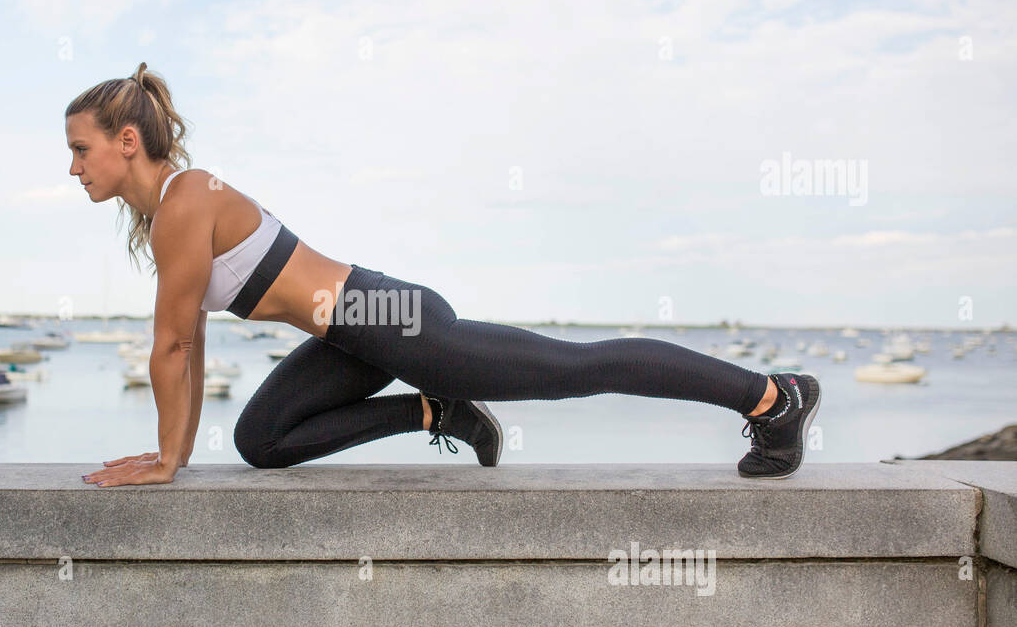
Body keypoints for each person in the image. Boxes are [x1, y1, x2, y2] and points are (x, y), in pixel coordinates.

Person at [71, 64, 822, 487]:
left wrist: (168, 462)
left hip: (388, 317)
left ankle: (771, 398)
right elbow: (188, 343)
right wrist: (175, 455)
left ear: (127, 141)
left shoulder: (182, 202)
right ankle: (438, 413)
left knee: (575, 369)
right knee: (263, 441)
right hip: (357, 334)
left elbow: (169, 349)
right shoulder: (174, 210)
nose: (73, 167)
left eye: (80, 149)